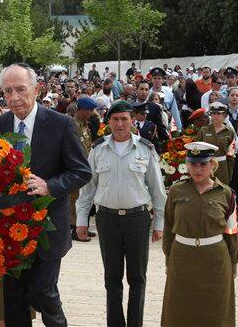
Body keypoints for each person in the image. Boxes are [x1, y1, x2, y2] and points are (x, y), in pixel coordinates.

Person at [0, 63, 91, 327]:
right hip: (8, 229)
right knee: (15, 298)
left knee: (43, 291)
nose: (14, 97)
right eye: (8, 91)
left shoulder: (61, 124)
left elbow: (81, 171)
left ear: (36, 89)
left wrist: (49, 186)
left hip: (49, 227)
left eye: (20, 89)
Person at [76, 100, 166, 327]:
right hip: (107, 219)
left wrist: (159, 224)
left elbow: (158, 190)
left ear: (132, 121)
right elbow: (87, 189)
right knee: (112, 279)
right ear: (108, 122)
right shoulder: (98, 149)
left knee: (137, 278)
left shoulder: (145, 148)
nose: (120, 124)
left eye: (124, 119)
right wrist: (81, 219)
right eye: (115, 119)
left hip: (138, 219)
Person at [161, 141, 238, 327]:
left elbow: (231, 232)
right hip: (182, 257)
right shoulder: (176, 191)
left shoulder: (226, 193)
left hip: (215, 260)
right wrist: (168, 259)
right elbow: (169, 227)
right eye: (193, 164)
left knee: (216, 308)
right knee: (179, 307)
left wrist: (233, 263)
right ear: (187, 165)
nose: (197, 169)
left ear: (213, 165)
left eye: (203, 164)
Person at [71, 97, 98, 242]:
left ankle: (83, 226)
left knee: (85, 196)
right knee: (77, 197)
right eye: (90, 110)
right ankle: (76, 228)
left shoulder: (84, 124)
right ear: (83, 110)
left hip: (85, 164)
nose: (92, 113)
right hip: (77, 166)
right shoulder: (74, 125)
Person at [197, 102, 235, 184]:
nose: (216, 116)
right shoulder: (203, 130)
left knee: (221, 192)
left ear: (224, 115)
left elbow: (231, 155)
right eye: (213, 114)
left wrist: (230, 173)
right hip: (206, 165)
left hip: (222, 167)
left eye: (219, 114)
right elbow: (197, 151)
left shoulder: (229, 132)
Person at [149, 67, 182, 131]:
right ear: (151, 79)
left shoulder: (169, 94)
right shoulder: (147, 94)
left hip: (166, 126)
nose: (157, 80)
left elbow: (175, 111)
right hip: (151, 127)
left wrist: (178, 128)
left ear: (163, 80)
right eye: (155, 78)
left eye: (159, 78)